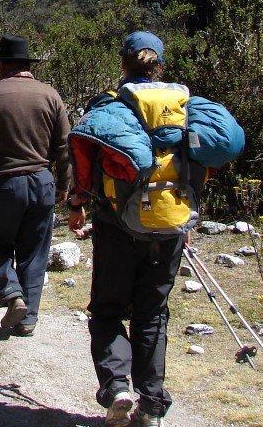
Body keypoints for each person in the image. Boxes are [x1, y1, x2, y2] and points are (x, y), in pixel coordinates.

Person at [67, 31, 190, 427]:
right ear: (161, 64)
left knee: (107, 309)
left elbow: (84, 162)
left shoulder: (110, 105)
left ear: (123, 63)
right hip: (171, 224)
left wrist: (77, 203)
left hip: (118, 223)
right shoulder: (184, 105)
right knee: (153, 314)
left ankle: (117, 385)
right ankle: (151, 405)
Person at [0, 34, 71, 337]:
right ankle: (27, 321)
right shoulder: (51, 95)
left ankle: (11, 293)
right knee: (34, 252)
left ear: (2, 65)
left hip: (4, 184)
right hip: (43, 182)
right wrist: (64, 185)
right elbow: (64, 146)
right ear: (27, 65)